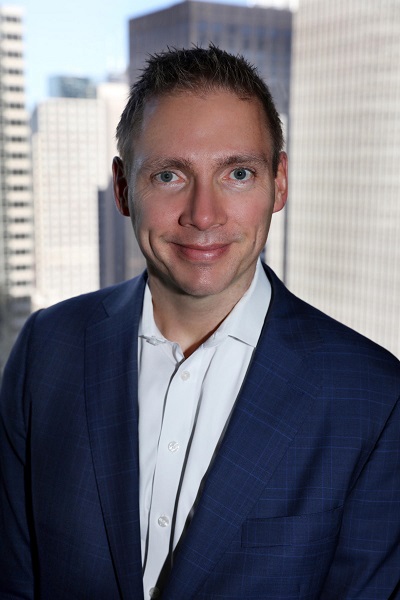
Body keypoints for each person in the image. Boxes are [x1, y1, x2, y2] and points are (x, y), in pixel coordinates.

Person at [0, 45, 399, 600]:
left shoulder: (374, 397)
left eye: (238, 173)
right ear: (122, 188)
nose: (204, 215)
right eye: (168, 175)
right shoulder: (47, 349)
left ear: (278, 184)